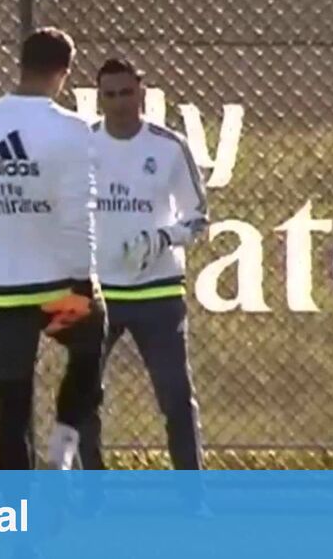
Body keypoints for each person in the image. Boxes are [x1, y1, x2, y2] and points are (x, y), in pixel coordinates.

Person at [0, 27, 105, 470]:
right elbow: (78, 214)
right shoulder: (72, 129)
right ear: (64, 72)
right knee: (91, 349)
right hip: (57, 286)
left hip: (0, 284)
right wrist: (82, 282)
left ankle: (20, 525)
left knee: (11, 406)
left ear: (22, 64)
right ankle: (63, 445)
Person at [78, 57, 209, 471]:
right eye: (110, 95)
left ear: (142, 92)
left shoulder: (168, 146)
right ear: (99, 97)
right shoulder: (81, 147)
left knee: (174, 395)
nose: (119, 103)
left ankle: (192, 497)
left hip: (158, 290)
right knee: (81, 394)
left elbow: (198, 215)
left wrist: (163, 237)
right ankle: (92, 495)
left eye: (126, 93)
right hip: (94, 292)